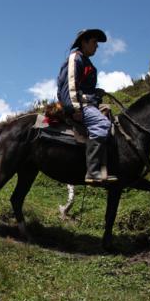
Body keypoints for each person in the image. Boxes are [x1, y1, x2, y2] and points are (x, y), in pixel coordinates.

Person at [57, 29, 118, 185]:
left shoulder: (86, 61)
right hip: (79, 106)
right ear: (84, 42)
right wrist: (74, 109)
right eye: (94, 42)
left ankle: (105, 167)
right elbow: (70, 86)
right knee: (102, 123)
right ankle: (93, 171)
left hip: (87, 104)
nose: (97, 46)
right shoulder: (75, 58)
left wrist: (96, 93)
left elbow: (84, 87)